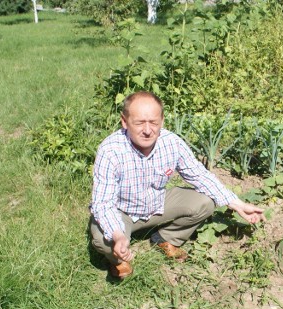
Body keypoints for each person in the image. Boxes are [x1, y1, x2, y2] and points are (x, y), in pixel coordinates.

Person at [89, 91, 265, 279]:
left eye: (154, 122)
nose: (147, 130)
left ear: (162, 121)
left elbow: (199, 175)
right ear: (125, 122)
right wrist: (118, 236)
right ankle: (119, 259)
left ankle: (166, 238)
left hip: (157, 204)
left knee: (205, 202)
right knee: (102, 239)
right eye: (139, 123)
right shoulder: (110, 150)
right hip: (122, 211)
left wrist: (238, 204)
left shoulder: (171, 142)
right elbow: (103, 203)